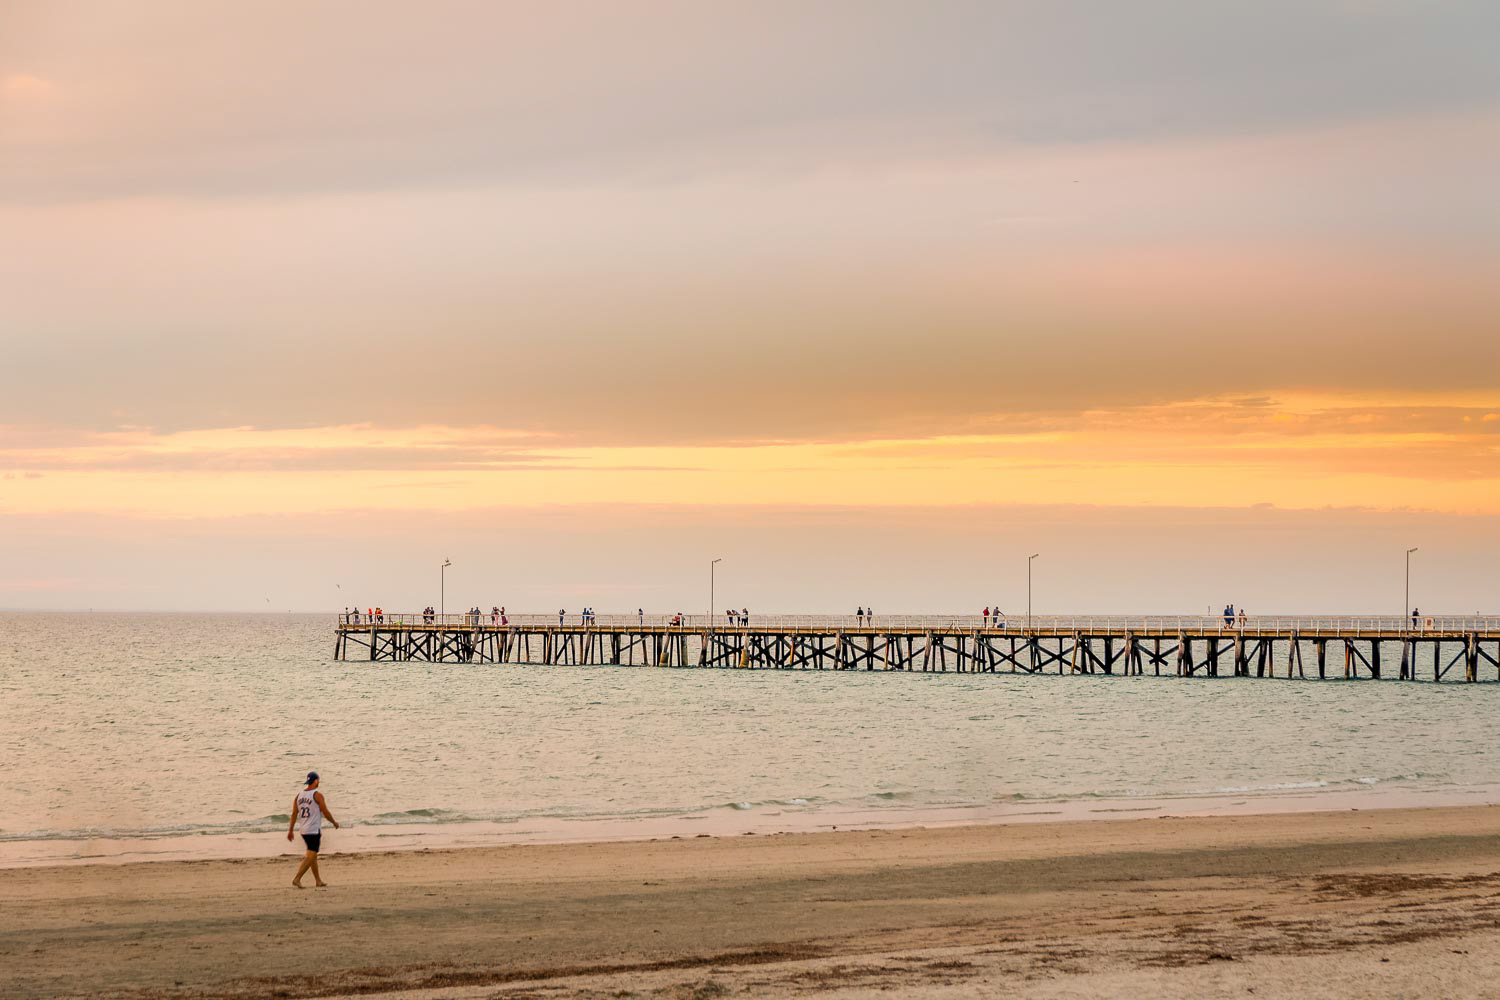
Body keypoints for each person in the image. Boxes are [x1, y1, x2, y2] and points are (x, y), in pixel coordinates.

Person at [287, 771, 339, 888]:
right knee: (311, 855)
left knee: (313, 855)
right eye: (318, 780)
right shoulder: (317, 795)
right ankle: (297, 878)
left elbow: (294, 814)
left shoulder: (298, 796)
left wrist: (290, 830)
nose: (318, 782)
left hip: (303, 830)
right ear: (315, 781)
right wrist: (334, 822)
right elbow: (325, 811)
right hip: (313, 830)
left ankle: (318, 881)